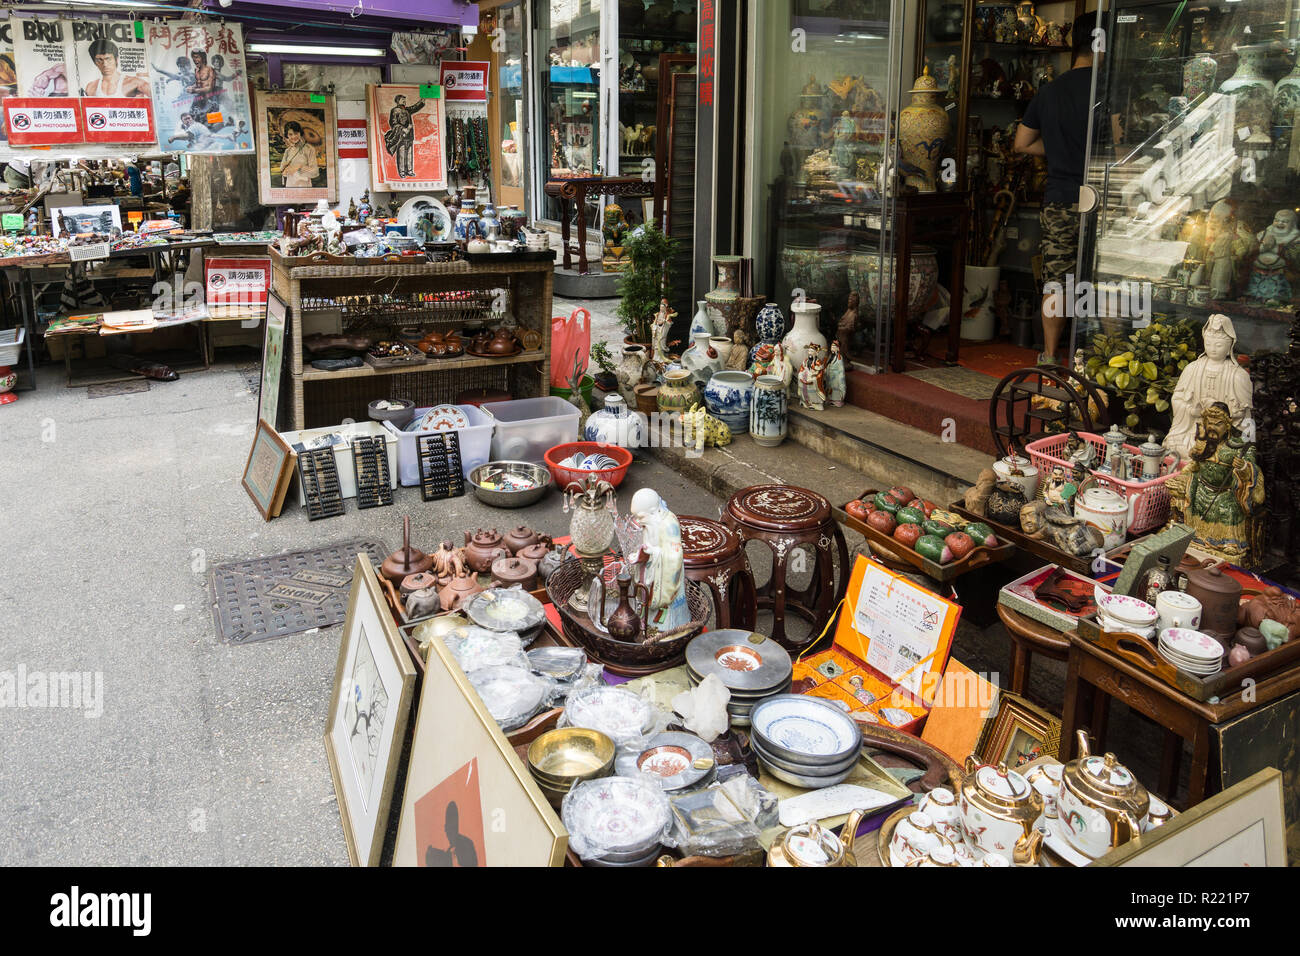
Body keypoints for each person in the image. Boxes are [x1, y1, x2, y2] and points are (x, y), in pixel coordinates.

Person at [1014, 10, 1097, 366]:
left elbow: (1022, 142)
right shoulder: (1108, 87)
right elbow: (1120, 146)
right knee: (1103, 280)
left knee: (1056, 281)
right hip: (1100, 199)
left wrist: (1060, 149)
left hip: (1060, 199)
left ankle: (1049, 355)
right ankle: (1099, 356)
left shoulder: (1050, 91)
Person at [83, 38, 148, 97]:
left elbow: (156, 96)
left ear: (116, 59)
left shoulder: (135, 83)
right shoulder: (91, 87)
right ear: (94, 62)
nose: (105, 64)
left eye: (108, 59)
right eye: (99, 60)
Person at [384, 93, 426, 178]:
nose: (404, 101)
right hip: (401, 135)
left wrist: (422, 101)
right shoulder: (395, 110)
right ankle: (402, 172)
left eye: (405, 100)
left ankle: (409, 171)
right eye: (402, 100)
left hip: (409, 136)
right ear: (397, 101)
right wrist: (403, 129)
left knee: (409, 154)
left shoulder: (407, 110)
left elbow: (415, 107)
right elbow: (393, 123)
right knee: (402, 155)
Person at [278, 120, 318, 188]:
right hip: (290, 186)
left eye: (296, 133)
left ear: (300, 133)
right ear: (287, 135)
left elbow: (315, 172)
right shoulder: (288, 151)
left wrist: (299, 167)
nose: (293, 136)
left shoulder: (309, 149)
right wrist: (285, 170)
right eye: (290, 134)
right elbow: (282, 170)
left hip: (304, 186)